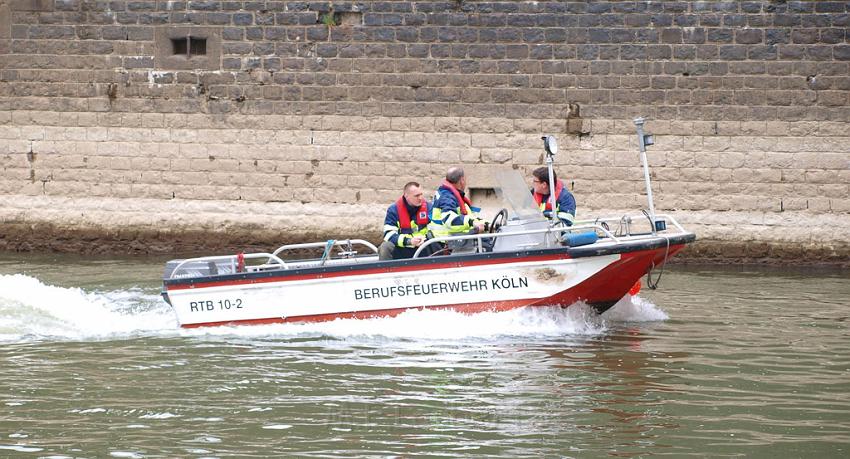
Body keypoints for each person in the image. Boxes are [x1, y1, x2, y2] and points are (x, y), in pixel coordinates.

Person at [378, 182, 436, 260]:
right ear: (406, 196)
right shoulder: (394, 210)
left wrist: (426, 238)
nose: (420, 198)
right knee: (385, 247)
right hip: (403, 247)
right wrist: (409, 241)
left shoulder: (429, 208)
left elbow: (436, 229)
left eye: (421, 194)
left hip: (424, 246)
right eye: (416, 196)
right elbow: (389, 235)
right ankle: (386, 270)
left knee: (437, 244)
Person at [429, 167, 488, 244]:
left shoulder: (450, 194)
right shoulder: (447, 198)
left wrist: (485, 224)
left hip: (455, 238)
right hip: (447, 242)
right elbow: (449, 219)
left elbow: (467, 217)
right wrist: (472, 222)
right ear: (462, 180)